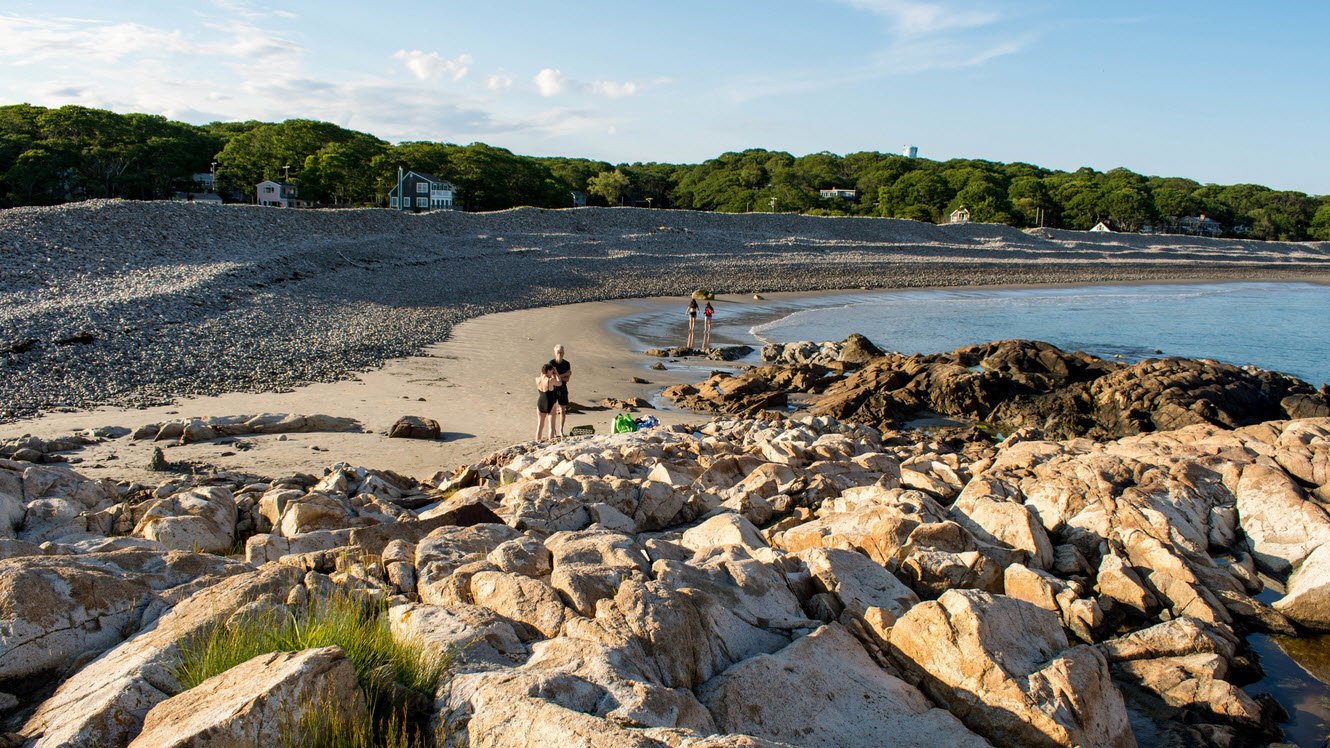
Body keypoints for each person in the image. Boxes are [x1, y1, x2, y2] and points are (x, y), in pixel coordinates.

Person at [548, 344, 572, 436]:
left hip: (563, 388)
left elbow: (567, 379)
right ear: (554, 353)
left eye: (561, 352)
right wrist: (565, 373)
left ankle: (561, 430)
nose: (560, 354)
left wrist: (559, 377)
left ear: (564, 353)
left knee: (562, 409)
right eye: (558, 352)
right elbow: (553, 378)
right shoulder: (551, 363)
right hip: (553, 388)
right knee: (553, 409)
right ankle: (553, 431)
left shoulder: (567, 364)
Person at [535, 363, 559, 440]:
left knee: (540, 426)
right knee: (551, 427)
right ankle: (550, 443)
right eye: (551, 371)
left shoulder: (537, 379)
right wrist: (556, 373)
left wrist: (546, 372)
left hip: (540, 403)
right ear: (548, 370)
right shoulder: (550, 380)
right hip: (550, 403)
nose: (552, 373)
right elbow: (560, 383)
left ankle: (537, 442)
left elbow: (542, 375)